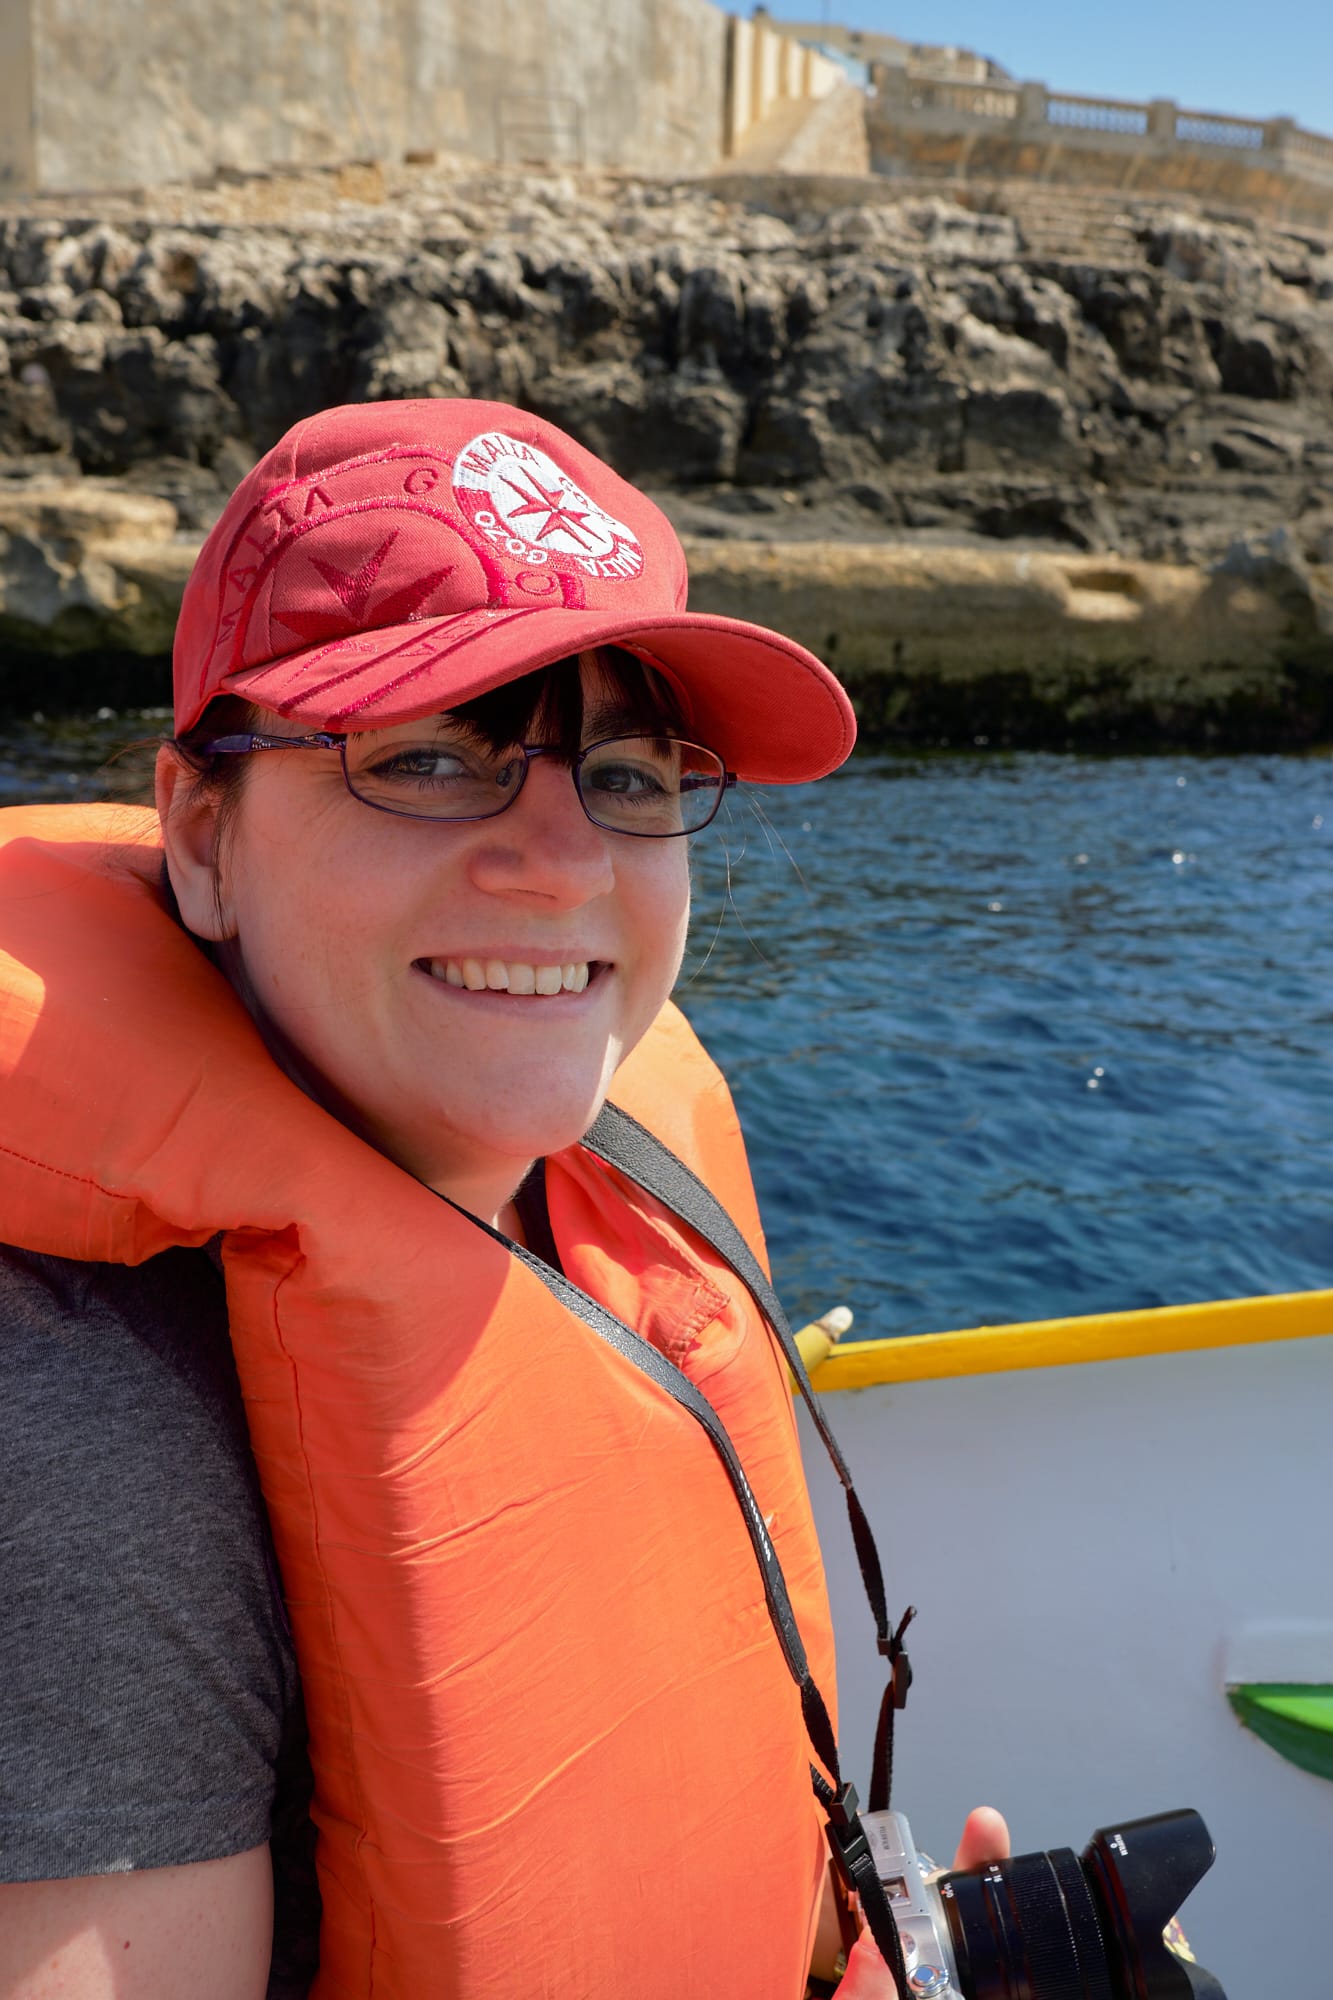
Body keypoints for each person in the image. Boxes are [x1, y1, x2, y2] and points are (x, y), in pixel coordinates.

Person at [0, 398, 1006, 1998]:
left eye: (623, 771)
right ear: (202, 834)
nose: (559, 857)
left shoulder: (600, 1202)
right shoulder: (75, 1444)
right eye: (426, 757)